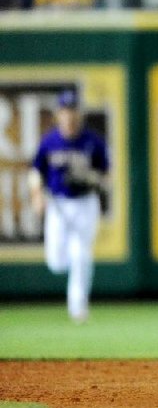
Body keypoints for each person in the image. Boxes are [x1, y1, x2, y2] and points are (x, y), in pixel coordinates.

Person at [29, 89, 109, 323]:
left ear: (79, 113)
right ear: (59, 114)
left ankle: (78, 306)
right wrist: (36, 195)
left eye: (72, 110)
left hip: (85, 203)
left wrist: (92, 178)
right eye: (65, 111)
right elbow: (36, 171)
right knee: (56, 262)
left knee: (81, 253)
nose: (69, 115)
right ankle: (75, 287)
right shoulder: (50, 141)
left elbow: (107, 174)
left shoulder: (92, 141)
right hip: (58, 204)